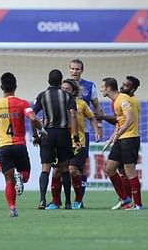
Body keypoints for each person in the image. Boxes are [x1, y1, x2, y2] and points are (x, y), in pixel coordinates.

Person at [0, 72, 45, 217]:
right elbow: (32, 117)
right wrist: (41, 129)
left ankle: (12, 207)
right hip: (19, 145)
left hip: (3, 146)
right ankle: (21, 177)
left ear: (1, 87)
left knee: (8, 180)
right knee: (25, 176)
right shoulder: (23, 103)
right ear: (15, 86)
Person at [49, 79, 101, 210]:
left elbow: (92, 117)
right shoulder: (56, 104)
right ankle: (55, 202)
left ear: (74, 91)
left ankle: (78, 200)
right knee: (56, 172)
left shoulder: (81, 104)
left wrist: (96, 131)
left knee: (73, 171)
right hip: (60, 142)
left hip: (78, 142)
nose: (64, 90)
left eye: (67, 89)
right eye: (63, 88)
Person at [33, 69, 80, 210]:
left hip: (47, 134)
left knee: (45, 168)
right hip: (63, 134)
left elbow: (32, 115)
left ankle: (42, 200)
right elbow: (73, 115)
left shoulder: (42, 95)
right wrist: (75, 136)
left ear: (48, 80)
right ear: (61, 82)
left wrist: (35, 134)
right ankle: (67, 202)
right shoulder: (67, 96)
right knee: (65, 168)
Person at [97, 76, 143, 210]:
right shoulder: (116, 101)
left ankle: (138, 204)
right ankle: (125, 199)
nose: (101, 89)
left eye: (102, 87)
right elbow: (120, 122)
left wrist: (119, 133)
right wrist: (111, 139)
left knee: (130, 171)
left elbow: (130, 119)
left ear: (109, 88)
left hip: (130, 139)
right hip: (121, 138)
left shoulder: (122, 99)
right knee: (110, 168)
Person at [69, 59, 103, 204]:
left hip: (84, 132)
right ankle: (59, 200)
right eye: (72, 69)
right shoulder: (64, 86)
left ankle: (79, 199)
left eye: (77, 69)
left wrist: (99, 126)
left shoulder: (90, 86)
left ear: (82, 70)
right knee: (65, 167)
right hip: (66, 132)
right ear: (69, 70)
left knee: (81, 166)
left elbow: (96, 106)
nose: (74, 71)